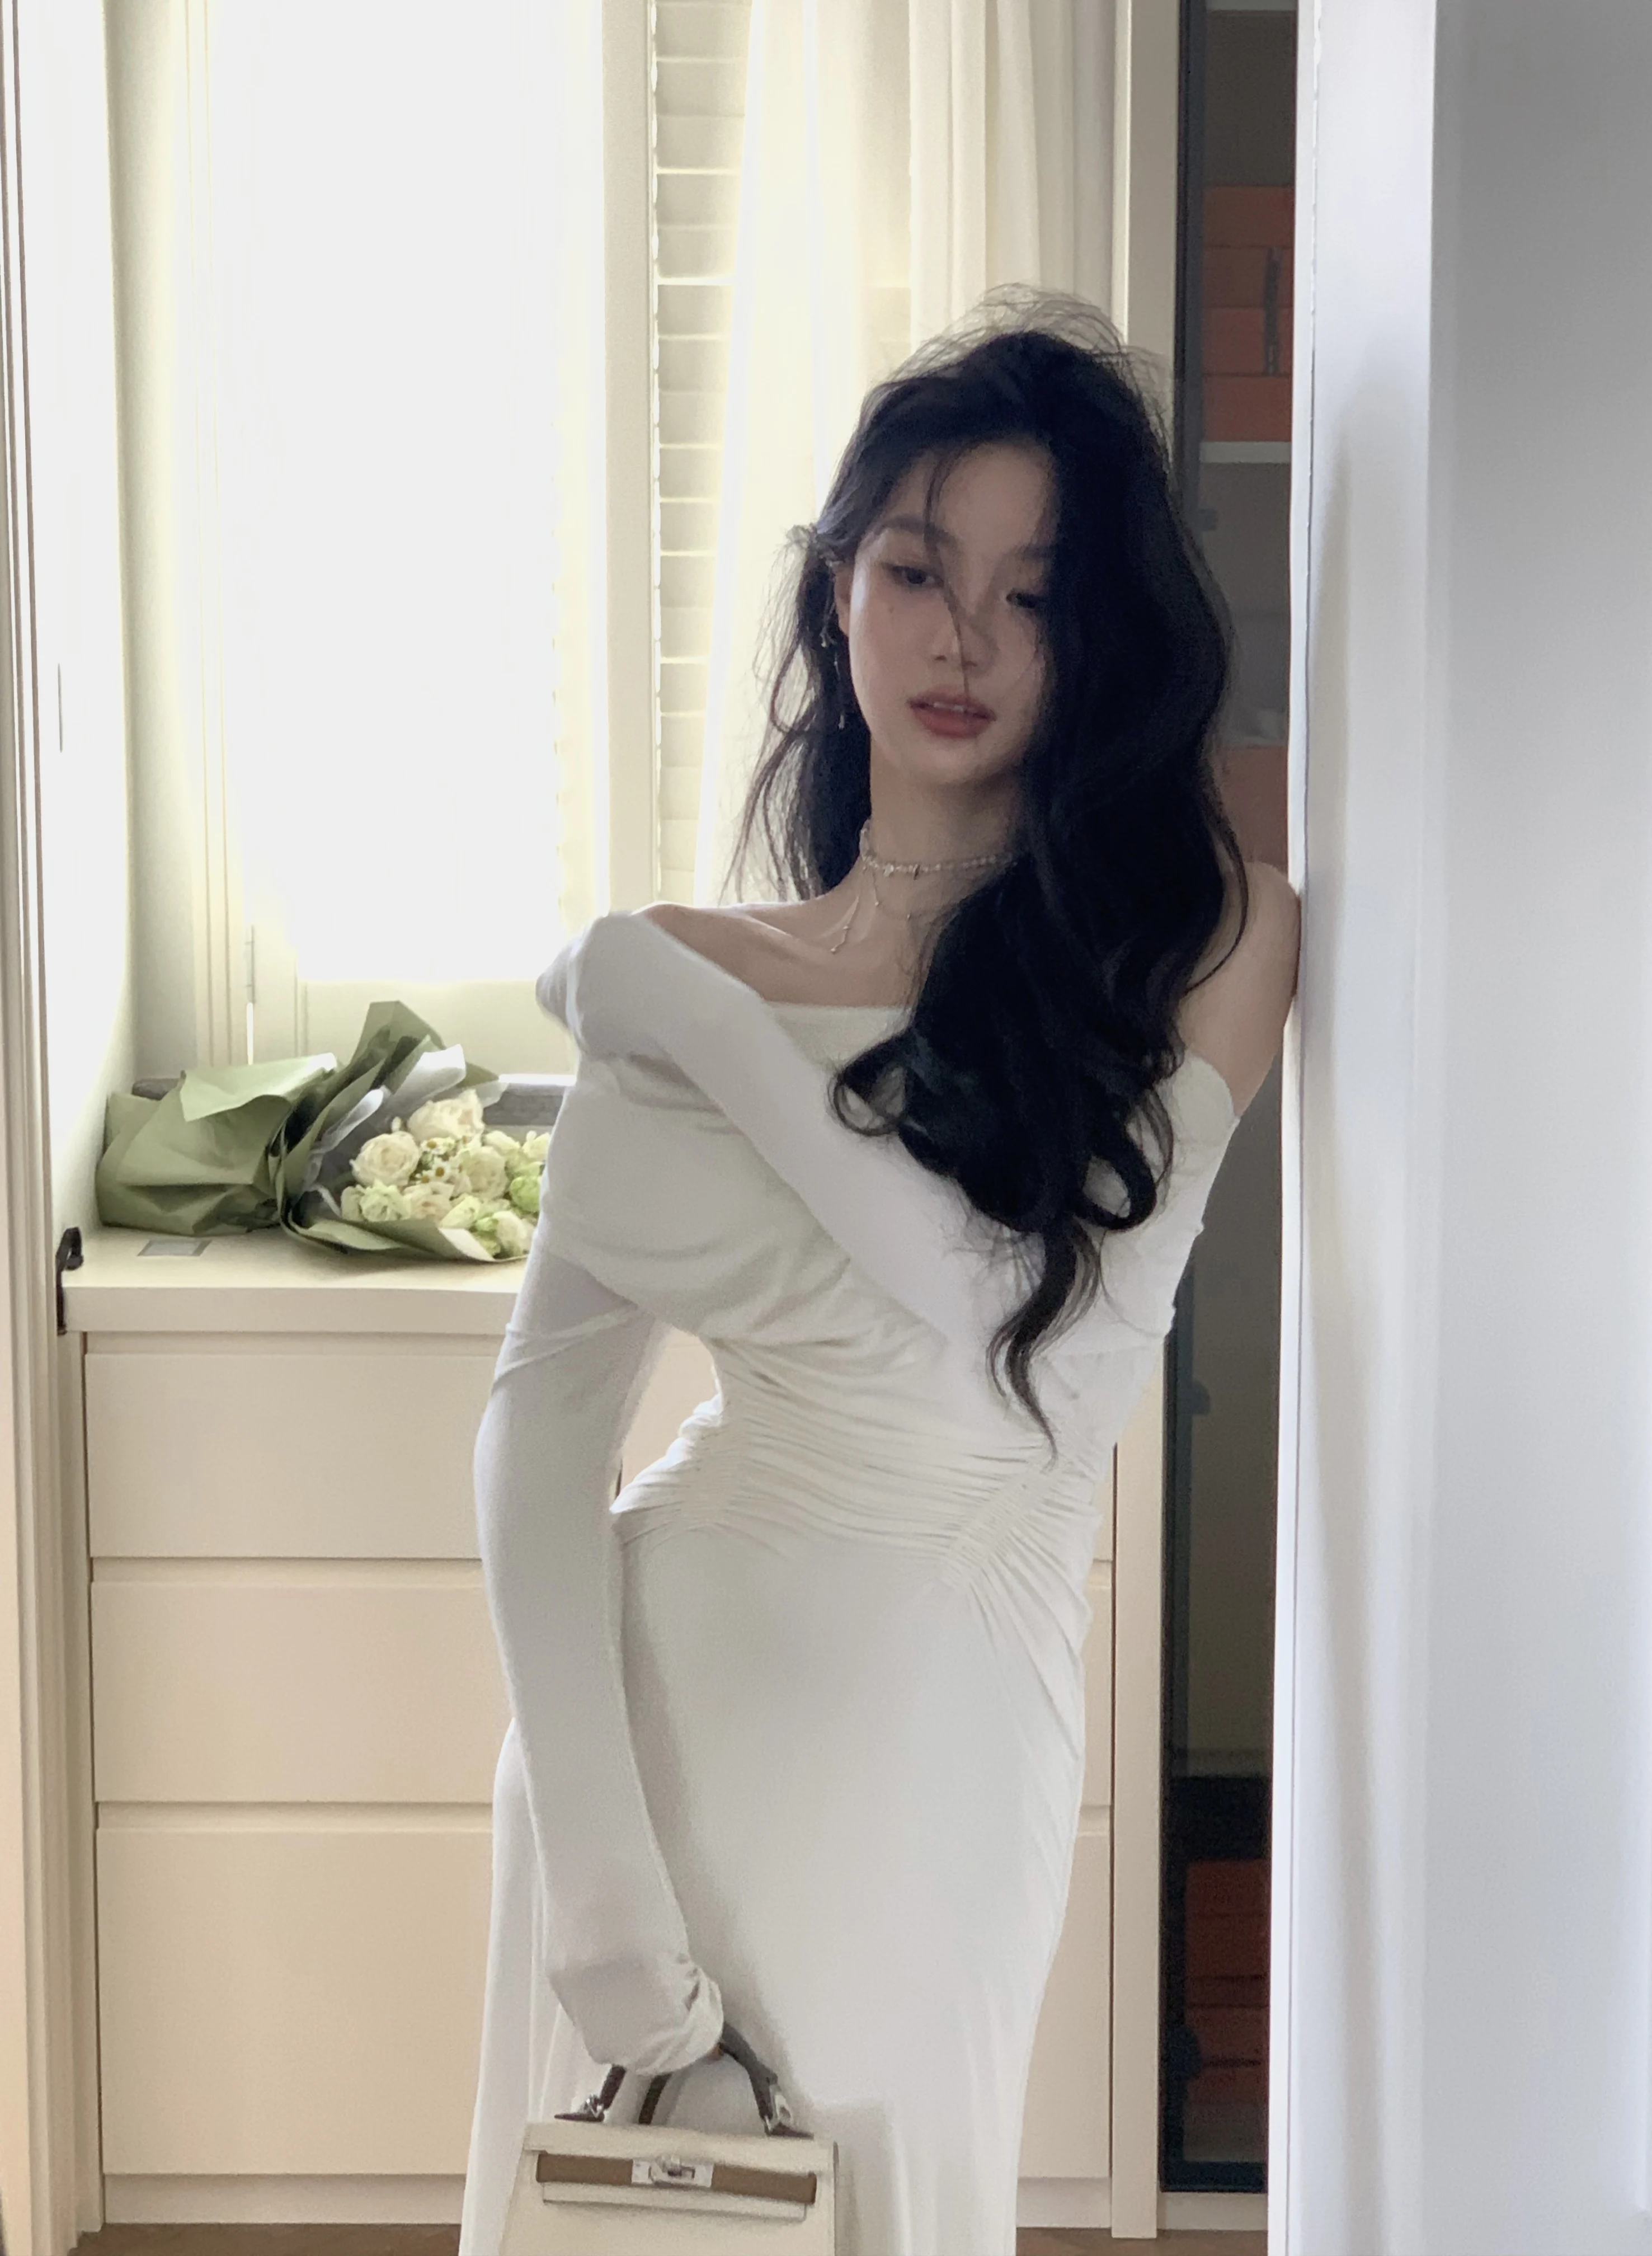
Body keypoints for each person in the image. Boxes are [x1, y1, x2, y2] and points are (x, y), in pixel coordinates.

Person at [456, 292, 1300, 2255]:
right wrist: (601, 1884)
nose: (964, 638)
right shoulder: (694, 963)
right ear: (837, 594)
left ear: (1099, 640)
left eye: (1035, 593)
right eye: (918, 570)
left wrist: (709, 1023)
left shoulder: (1208, 945)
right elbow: (537, 1437)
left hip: (935, 1740)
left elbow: (1003, 1313)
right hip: (635, 1747)